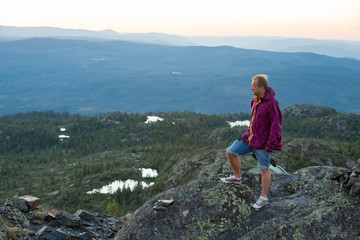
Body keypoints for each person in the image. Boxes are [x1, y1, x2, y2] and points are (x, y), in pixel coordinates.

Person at [221, 74, 282, 209]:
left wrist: (270, 145)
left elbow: (276, 125)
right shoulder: (255, 100)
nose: (251, 88)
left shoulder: (272, 103)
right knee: (231, 152)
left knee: (264, 169)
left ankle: (263, 197)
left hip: (262, 143)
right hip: (250, 138)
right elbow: (254, 121)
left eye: (253, 86)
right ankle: (237, 177)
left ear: (261, 87)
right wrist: (247, 134)